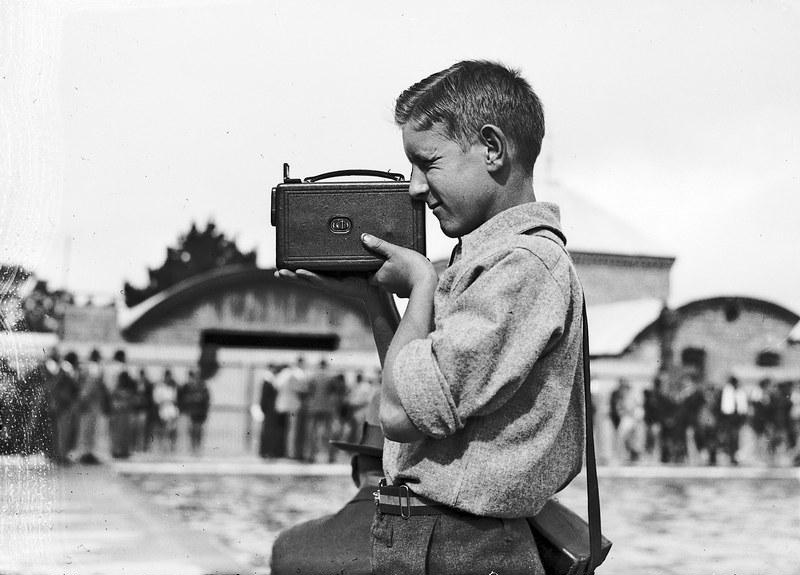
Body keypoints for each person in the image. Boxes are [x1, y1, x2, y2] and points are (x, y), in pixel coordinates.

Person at [275, 60, 586, 574]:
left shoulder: (523, 267)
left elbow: (398, 416)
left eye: (428, 162)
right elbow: (411, 389)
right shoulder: (488, 261)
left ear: (492, 148)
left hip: (463, 546)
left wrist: (422, 285)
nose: (415, 187)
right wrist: (374, 300)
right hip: (433, 536)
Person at [76, 349, 110, 464]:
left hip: (90, 404)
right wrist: (84, 398)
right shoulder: (94, 368)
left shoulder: (89, 367)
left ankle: (87, 453)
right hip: (91, 404)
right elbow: (90, 386)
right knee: (90, 430)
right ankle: (87, 454)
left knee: (88, 430)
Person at [273, 357, 309, 460]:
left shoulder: (283, 375)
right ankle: (291, 453)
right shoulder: (295, 375)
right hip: (293, 406)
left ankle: (284, 452)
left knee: (285, 430)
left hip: (282, 405)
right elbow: (300, 390)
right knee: (292, 431)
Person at [179, 370, 211, 455]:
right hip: (191, 412)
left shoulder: (203, 388)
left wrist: (205, 412)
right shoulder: (187, 387)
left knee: (198, 430)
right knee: (192, 430)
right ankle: (193, 448)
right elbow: (182, 399)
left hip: (200, 413)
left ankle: (198, 448)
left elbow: (206, 401)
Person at [718, 375, 749, 465]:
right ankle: (731, 455)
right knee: (730, 438)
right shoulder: (726, 391)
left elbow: (742, 406)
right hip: (728, 418)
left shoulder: (739, 392)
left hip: (737, 418)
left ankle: (734, 456)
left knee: (735, 437)